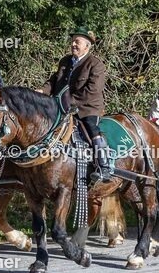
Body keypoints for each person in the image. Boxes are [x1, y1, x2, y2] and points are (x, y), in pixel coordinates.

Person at [40, 26, 112, 181]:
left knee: (91, 128)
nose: (73, 44)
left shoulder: (96, 64)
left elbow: (93, 90)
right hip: (61, 106)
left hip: (87, 108)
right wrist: (41, 91)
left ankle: (104, 166)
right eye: (72, 41)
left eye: (77, 42)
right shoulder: (65, 61)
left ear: (87, 46)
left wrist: (68, 101)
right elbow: (54, 81)